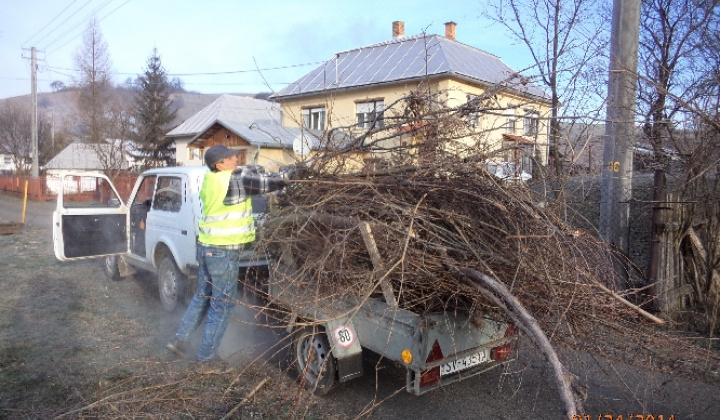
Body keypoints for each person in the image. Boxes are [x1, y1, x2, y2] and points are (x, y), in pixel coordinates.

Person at [166, 144, 286, 367]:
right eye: (230, 158)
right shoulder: (230, 181)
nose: (235, 159)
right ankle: (207, 358)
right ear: (219, 164)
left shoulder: (211, 179)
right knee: (222, 304)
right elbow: (268, 184)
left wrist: (251, 170)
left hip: (206, 248)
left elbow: (246, 175)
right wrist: (288, 176)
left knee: (202, 296)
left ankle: (179, 341)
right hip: (223, 251)